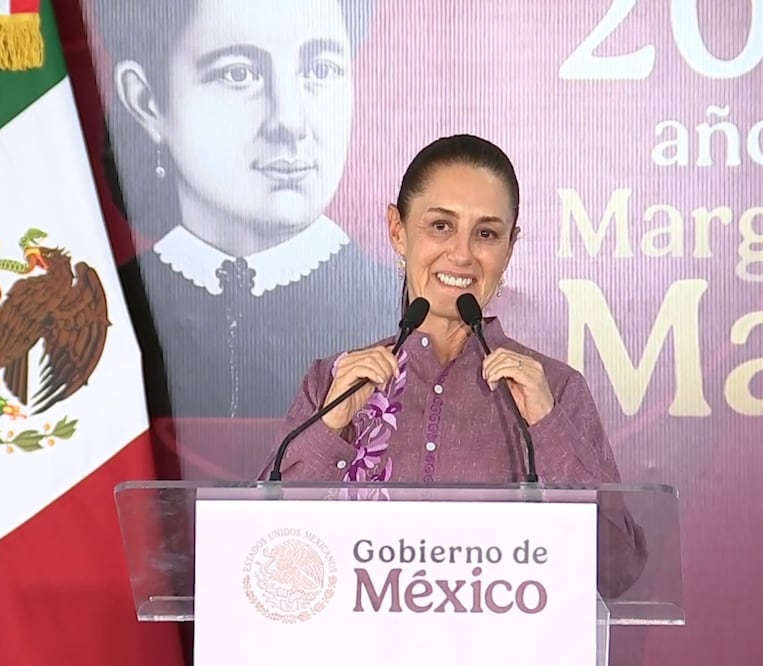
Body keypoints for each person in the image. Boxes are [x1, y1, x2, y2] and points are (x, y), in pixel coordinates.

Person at [260, 134, 647, 597]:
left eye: (486, 233)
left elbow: (617, 572)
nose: (461, 254)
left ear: (510, 247)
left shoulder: (554, 390)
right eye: (440, 226)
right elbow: (259, 555)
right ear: (397, 230)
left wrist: (548, 427)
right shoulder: (334, 382)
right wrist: (333, 424)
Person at [89, 0, 398, 423]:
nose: (289, 122)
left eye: (320, 69)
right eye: (239, 74)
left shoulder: (404, 315)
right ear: (146, 102)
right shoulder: (100, 316)